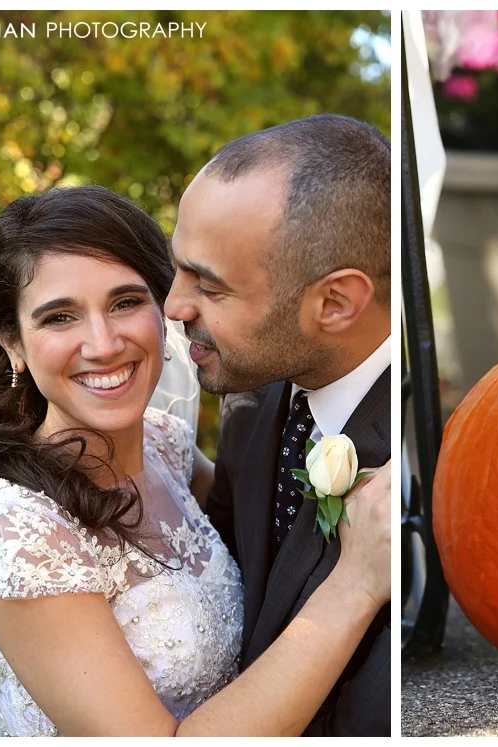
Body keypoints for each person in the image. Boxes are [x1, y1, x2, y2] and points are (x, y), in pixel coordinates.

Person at [0, 185, 391, 737]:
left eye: (125, 302)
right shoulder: (15, 533)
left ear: (166, 310)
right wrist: (356, 584)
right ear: (12, 342)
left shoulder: (168, 445)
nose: (104, 343)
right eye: (60, 318)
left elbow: (272, 531)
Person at [164, 113, 392, 736]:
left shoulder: (415, 460)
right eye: (177, 266)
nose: (174, 306)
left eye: (209, 287)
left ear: (336, 303)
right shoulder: (252, 397)